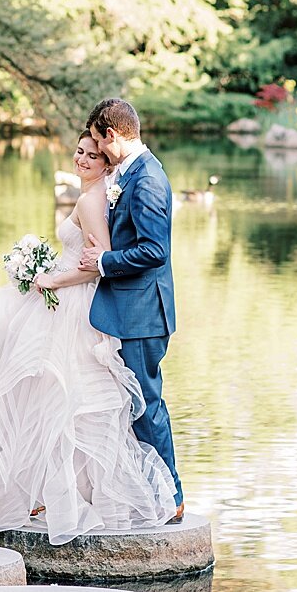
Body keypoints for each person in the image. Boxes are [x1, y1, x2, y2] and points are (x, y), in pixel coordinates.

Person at [0, 130, 179, 545]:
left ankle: (71, 494)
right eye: (79, 152)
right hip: (73, 301)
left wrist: (50, 278)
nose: (82, 159)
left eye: (92, 154)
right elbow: (87, 257)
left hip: (76, 306)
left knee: (69, 401)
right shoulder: (96, 196)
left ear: (107, 158)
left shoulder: (92, 201)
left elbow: (94, 264)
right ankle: (53, 490)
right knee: (54, 399)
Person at [78, 97, 184, 514]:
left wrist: (104, 262)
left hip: (143, 314)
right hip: (129, 310)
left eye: (98, 144)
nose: (96, 152)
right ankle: (142, 491)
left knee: (147, 405)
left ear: (112, 135)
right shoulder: (133, 172)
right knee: (132, 404)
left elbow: (154, 251)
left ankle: (171, 497)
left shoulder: (147, 180)